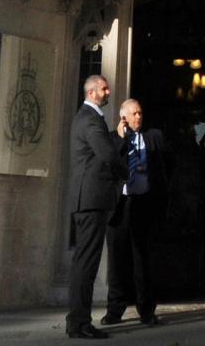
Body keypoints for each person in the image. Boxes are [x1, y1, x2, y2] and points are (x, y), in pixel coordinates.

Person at [64, 73, 124, 338]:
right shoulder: (89, 119)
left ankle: (77, 321)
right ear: (91, 93)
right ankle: (79, 322)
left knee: (85, 262)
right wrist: (126, 171)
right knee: (86, 264)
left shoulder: (90, 118)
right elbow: (107, 154)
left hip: (89, 199)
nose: (108, 91)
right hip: (91, 199)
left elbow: (101, 146)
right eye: (104, 88)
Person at [103, 98, 164, 327]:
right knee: (117, 260)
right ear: (123, 117)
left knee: (143, 260)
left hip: (144, 203)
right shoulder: (112, 139)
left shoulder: (153, 137)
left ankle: (146, 310)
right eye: (134, 113)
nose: (139, 117)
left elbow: (166, 164)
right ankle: (115, 310)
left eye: (140, 113)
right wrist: (120, 139)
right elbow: (108, 164)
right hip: (120, 205)